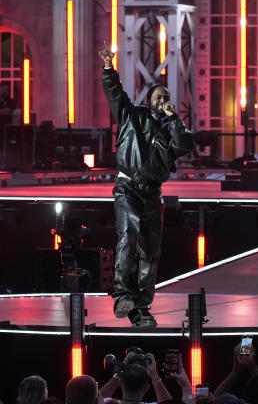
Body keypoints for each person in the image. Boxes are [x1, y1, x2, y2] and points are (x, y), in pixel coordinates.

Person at [99, 46, 193, 327]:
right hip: (128, 187)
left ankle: (141, 305)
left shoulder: (172, 129)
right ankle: (123, 294)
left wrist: (174, 118)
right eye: (158, 96)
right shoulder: (132, 116)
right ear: (149, 100)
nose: (162, 100)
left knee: (150, 250)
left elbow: (184, 145)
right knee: (129, 234)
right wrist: (108, 68)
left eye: (166, 97)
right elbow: (115, 94)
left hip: (152, 192)